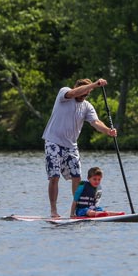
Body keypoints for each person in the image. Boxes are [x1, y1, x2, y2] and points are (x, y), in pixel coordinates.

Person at [42, 78, 117, 218]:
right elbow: (75, 93)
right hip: (53, 142)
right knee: (54, 176)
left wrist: (108, 131)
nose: (84, 96)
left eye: (87, 94)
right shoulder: (64, 93)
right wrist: (94, 84)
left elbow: (95, 122)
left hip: (71, 145)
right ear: (77, 88)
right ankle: (53, 211)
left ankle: (76, 210)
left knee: (77, 176)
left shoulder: (87, 106)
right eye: (83, 92)